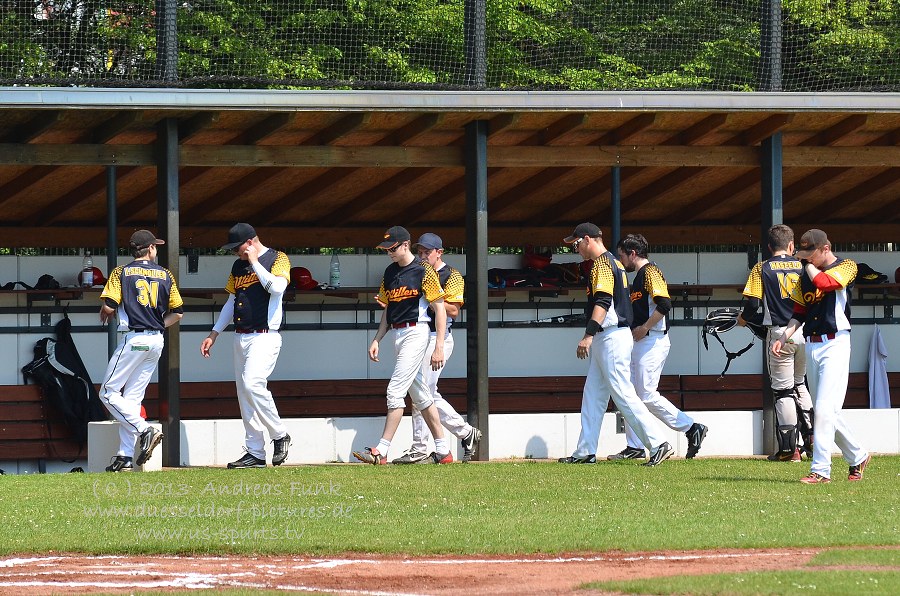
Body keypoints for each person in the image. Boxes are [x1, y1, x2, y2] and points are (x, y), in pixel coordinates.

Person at [558, 223, 673, 466]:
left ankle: (658, 443)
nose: (575, 249)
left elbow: (602, 300)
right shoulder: (615, 262)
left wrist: (588, 334)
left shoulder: (602, 263)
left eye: (576, 244)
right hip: (610, 336)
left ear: (588, 239)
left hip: (610, 335)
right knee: (593, 396)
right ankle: (585, 452)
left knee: (623, 393)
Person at [772, 229, 871, 484]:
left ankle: (821, 470)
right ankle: (858, 455)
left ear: (825, 248)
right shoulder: (807, 273)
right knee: (827, 412)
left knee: (826, 410)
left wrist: (807, 268)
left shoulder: (847, 265)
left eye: (810, 254)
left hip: (835, 343)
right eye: (803, 254)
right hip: (812, 345)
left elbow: (827, 283)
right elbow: (799, 311)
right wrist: (784, 336)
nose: (806, 259)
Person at [353, 226, 453, 465]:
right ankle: (443, 450)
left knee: (395, 391)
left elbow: (440, 308)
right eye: (386, 248)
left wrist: (438, 344)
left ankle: (382, 450)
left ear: (406, 245)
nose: (389, 252)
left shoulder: (423, 270)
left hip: (417, 331)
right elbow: (388, 309)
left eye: (392, 248)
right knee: (420, 394)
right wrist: (378, 338)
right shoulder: (389, 272)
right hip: (398, 333)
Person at [608, 234, 707, 461]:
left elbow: (665, 303)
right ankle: (635, 446)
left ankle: (691, 427)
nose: (621, 261)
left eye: (622, 256)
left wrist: (644, 327)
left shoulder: (650, 272)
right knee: (631, 395)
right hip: (644, 340)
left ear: (633, 253)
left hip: (652, 339)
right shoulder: (641, 275)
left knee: (646, 395)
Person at [200, 223, 292, 469]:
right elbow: (231, 300)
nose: (235, 253)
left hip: (265, 335)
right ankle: (255, 452)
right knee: (244, 393)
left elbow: (277, 288)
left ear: (251, 242)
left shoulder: (278, 258)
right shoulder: (238, 266)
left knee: (253, 383)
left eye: (237, 247)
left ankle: (279, 434)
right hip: (240, 335)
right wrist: (214, 332)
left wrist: (255, 263)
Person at [391, 233, 482, 464]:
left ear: (439, 252)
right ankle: (463, 433)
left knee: (423, 394)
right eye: (420, 252)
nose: (422, 256)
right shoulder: (417, 271)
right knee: (423, 393)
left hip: (437, 338)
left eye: (427, 252)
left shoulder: (451, 275)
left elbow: (453, 310)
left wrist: (430, 299)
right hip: (417, 336)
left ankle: (421, 448)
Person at [99, 230, 184, 472]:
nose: (157, 250)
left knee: (106, 393)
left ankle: (144, 429)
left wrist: (106, 311)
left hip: (134, 338)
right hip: (157, 340)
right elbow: (177, 312)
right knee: (132, 399)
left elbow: (109, 304)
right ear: (150, 249)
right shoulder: (165, 274)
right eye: (155, 246)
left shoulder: (121, 272)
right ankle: (125, 455)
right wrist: (157, 326)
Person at [738, 224, 813, 462]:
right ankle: (812, 439)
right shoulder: (803, 266)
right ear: (791, 245)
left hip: (779, 333)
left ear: (769, 247)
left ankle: (790, 451)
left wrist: (742, 320)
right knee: (800, 385)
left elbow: (751, 305)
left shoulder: (762, 268)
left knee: (783, 392)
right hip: (804, 333)